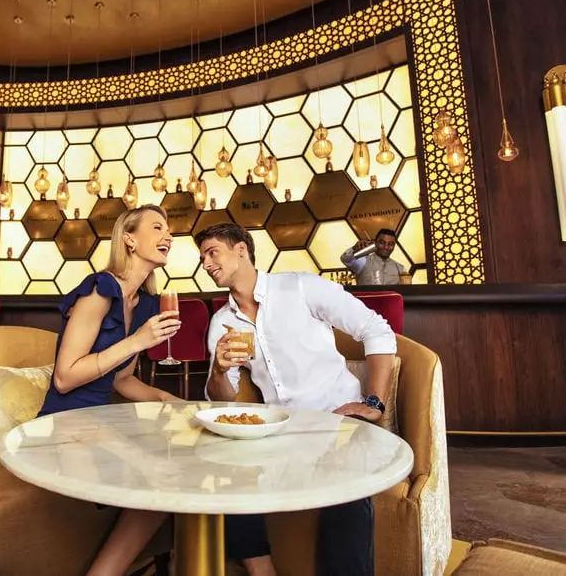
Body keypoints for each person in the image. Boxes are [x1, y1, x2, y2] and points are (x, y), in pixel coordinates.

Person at [195, 222, 397, 576]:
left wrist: (375, 402)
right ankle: (262, 569)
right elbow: (221, 398)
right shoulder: (222, 322)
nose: (206, 264)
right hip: (280, 429)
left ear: (241, 249)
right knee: (220, 468)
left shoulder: (300, 287)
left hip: (338, 420)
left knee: (345, 489)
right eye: (202, 258)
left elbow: (376, 328)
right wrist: (218, 370)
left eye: (213, 253)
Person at [37, 204, 182, 576]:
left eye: (168, 229)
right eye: (157, 227)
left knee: (170, 475)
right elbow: (64, 377)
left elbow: (121, 380)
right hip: (65, 423)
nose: (168, 235)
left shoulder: (146, 304)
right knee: (159, 477)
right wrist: (135, 341)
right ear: (129, 239)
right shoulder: (100, 289)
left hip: (98, 423)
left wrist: (169, 399)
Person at [340, 228, 406, 285]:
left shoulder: (400, 268)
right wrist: (354, 248)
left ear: (394, 246)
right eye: (382, 243)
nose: (386, 247)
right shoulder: (363, 261)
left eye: (390, 244)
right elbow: (345, 259)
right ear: (375, 242)